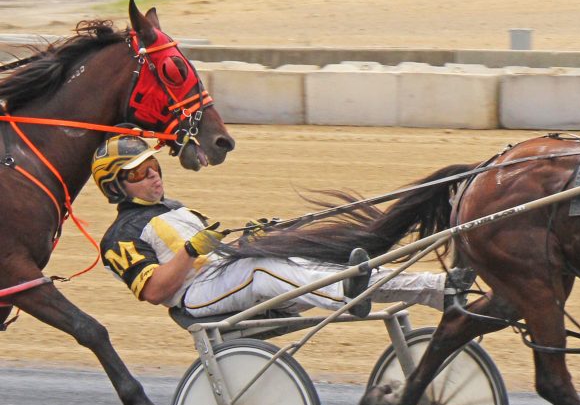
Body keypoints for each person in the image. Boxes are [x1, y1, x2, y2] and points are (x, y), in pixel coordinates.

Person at [91, 135, 474, 321]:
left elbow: (215, 252)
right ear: (114, 185)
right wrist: (192, 251)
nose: (153, 176)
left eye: (153, 167)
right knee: (260, 269)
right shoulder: (121, 235)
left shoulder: (174, 210)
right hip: (194, 297)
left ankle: (437, 289)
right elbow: (156, 291)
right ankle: (345, 294)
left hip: (224, 278)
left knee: (298, 257)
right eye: (139, 173)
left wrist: (252, 237)